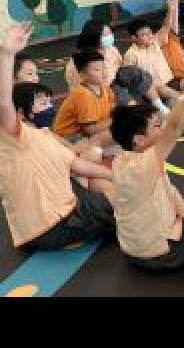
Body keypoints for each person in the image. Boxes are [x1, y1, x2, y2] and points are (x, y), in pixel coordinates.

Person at [0, 22, 116, 251]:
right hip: (55, 223)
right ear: (22, 112)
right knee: (131, 200)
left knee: (107, 183)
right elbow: (4, 103)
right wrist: (7, 53)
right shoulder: (14, 136)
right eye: (42, 103)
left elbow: (75, 163)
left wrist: (118, 174)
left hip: (66, 205)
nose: (49, 107)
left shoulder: (40, 134)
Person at [108, 55, 184, 271]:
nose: (162, 129)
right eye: (156, 126)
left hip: (133, 252)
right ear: (139, 139)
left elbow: (169, 191)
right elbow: (174, 127)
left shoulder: (120, 161)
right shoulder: (144, 164)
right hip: (165, 254)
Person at [65, 18, 166, 113]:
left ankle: (159, 105)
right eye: (105, 34)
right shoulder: (82, 60)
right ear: (94, 37)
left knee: (134, 72)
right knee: (119, 91)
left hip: (113, 82)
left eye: (110, 33)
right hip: (96, 92)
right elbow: (83, 86)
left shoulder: (111, 49)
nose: (110, 36)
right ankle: (137, 113)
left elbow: (121, 69)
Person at [123, 0, 184, 107]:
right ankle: (180, 99)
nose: (149, 36)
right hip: (153, 91)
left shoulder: (155, 42)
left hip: (171, 82)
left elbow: (166, 26)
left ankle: (177, 100)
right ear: (134, 38)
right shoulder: (130, 54)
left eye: (149, 33)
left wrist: (171, 8)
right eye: (144, 34)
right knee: (162, 89)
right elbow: (129, 79)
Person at [53, 50, 116, 149]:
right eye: (97, 70)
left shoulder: (104, 87)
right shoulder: (83, 94)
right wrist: (118, 120)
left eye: (104, 67)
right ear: (82, 75)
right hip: (69, 137)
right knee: (113, 137)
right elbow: (91, 129)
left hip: (90, 131)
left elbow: (113, 109)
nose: (104, 72)